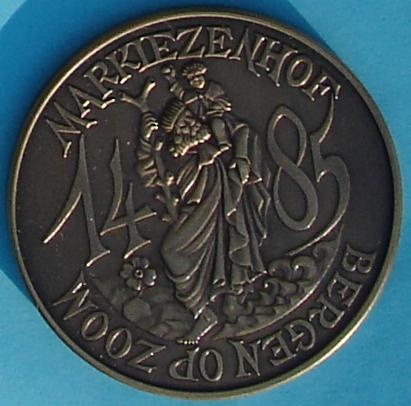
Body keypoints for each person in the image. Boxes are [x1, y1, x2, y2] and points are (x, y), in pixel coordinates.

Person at [138, 62, 270, 344]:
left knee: (185, 253)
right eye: (182, 126)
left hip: (214, 213)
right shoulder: (177, 155)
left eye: (190, 120)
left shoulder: (216, 144)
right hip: (195, 214)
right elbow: (150, 174)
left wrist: (239, 159)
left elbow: (240, 132)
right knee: (172, 252)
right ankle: (203, 311)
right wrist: (146, 141)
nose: (190, 126)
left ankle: (217, 309)